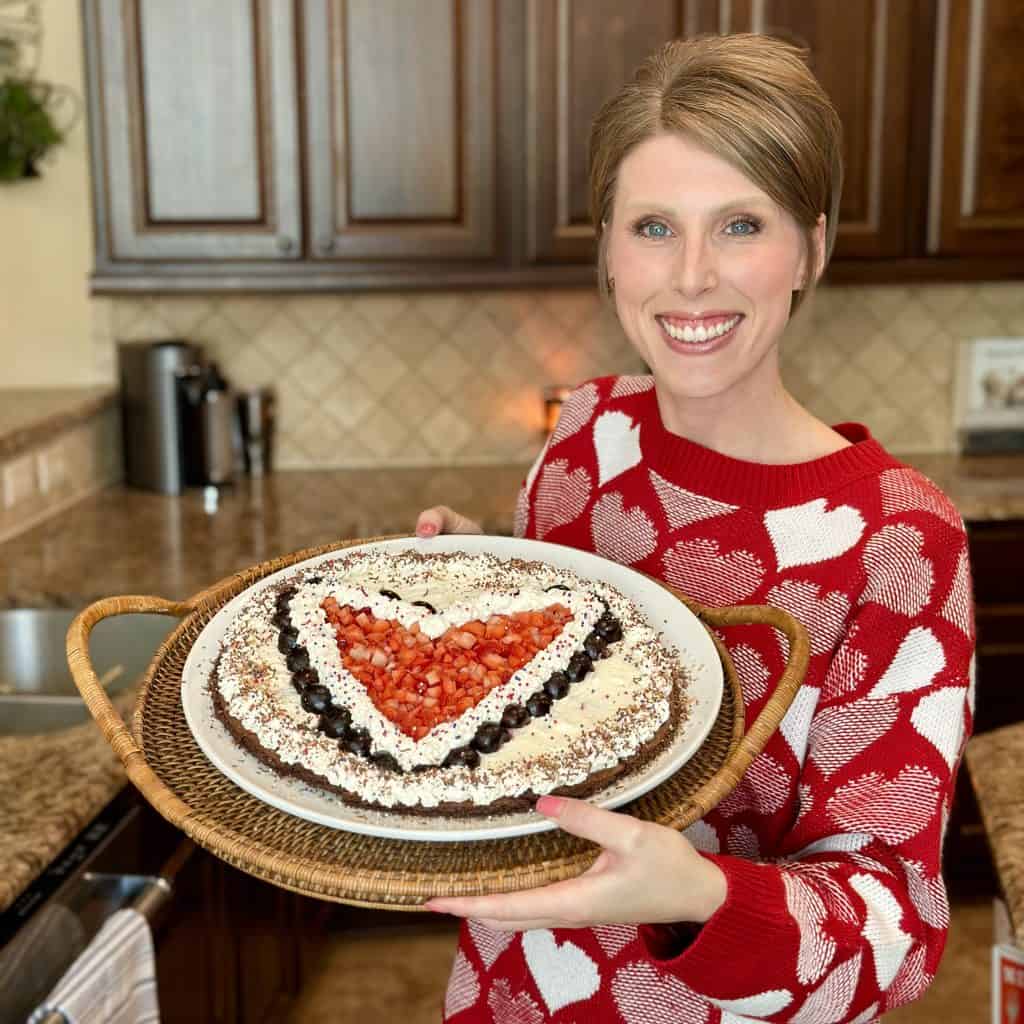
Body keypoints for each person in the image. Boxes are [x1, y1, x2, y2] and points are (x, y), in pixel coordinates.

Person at [415, 33, 975, 1024]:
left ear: (811, 245)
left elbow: (894, 935)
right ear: (607, 251)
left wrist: (696, 892)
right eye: (655, 227)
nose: (692, 278)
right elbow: (537, 726)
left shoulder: (898, 540)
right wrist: (486, 584)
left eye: (741, 225)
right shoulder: (587, 436)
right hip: (504, 994)